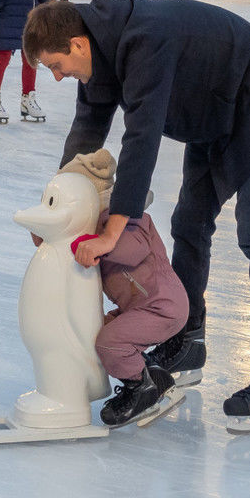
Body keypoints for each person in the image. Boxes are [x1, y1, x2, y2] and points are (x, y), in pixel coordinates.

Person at [22, 0, 250, 435]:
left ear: (78, 45)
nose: (59, 77)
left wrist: (112, 231)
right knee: (189, 224)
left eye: (57, 65)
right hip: (212, 110)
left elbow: (142, 138)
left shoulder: (143, 41)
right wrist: (59, 215)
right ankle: (188, 341)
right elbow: (85, 134)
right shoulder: (98, 52)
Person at [59, 150, 187, 427]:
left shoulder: (129, 217)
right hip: (139, 306)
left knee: (110, 342)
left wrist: (98, 240)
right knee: (96, 328)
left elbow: (131, 251)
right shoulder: (95, 226)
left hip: (163, 307)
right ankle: (154, 376)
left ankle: (139, 388)